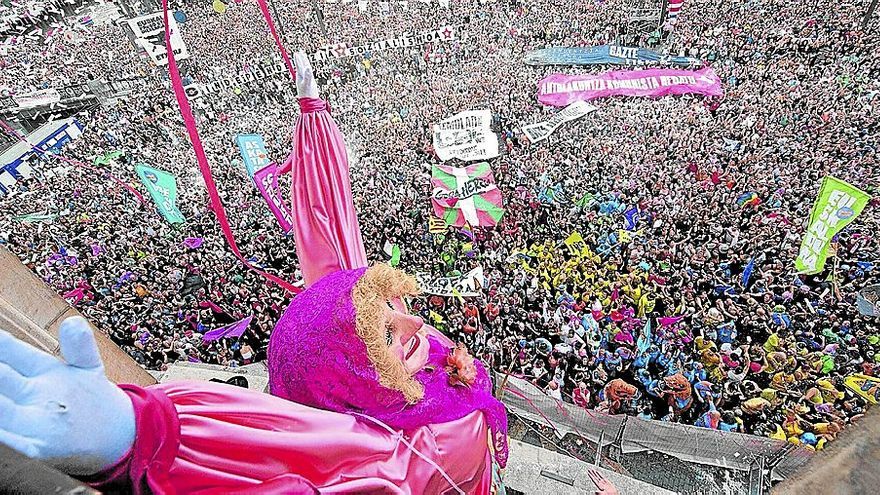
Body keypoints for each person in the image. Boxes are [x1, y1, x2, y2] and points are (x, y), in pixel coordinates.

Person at [0, 53, 507, 494]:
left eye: (394, 307)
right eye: (387, 335)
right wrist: (135, 438)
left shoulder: (366, 347)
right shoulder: (384, 457)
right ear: (343, 383)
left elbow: (333, 242)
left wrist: (314, 126)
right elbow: (266, 462)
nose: (416, 323)